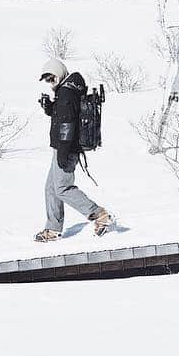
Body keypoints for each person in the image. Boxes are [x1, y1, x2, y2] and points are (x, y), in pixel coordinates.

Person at [35, 58, 112, 242]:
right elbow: (67, 114)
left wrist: (63, 152)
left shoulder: (66, 93)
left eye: (51, 77)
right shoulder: (68, 90)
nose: (50, 82)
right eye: (47, 80)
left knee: (62, 187)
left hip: (66, 148)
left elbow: (67, 124)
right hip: (64, 146)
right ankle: (53, 229)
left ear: (60, 72)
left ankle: (99, 214)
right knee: (50, 188)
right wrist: (50, 108)